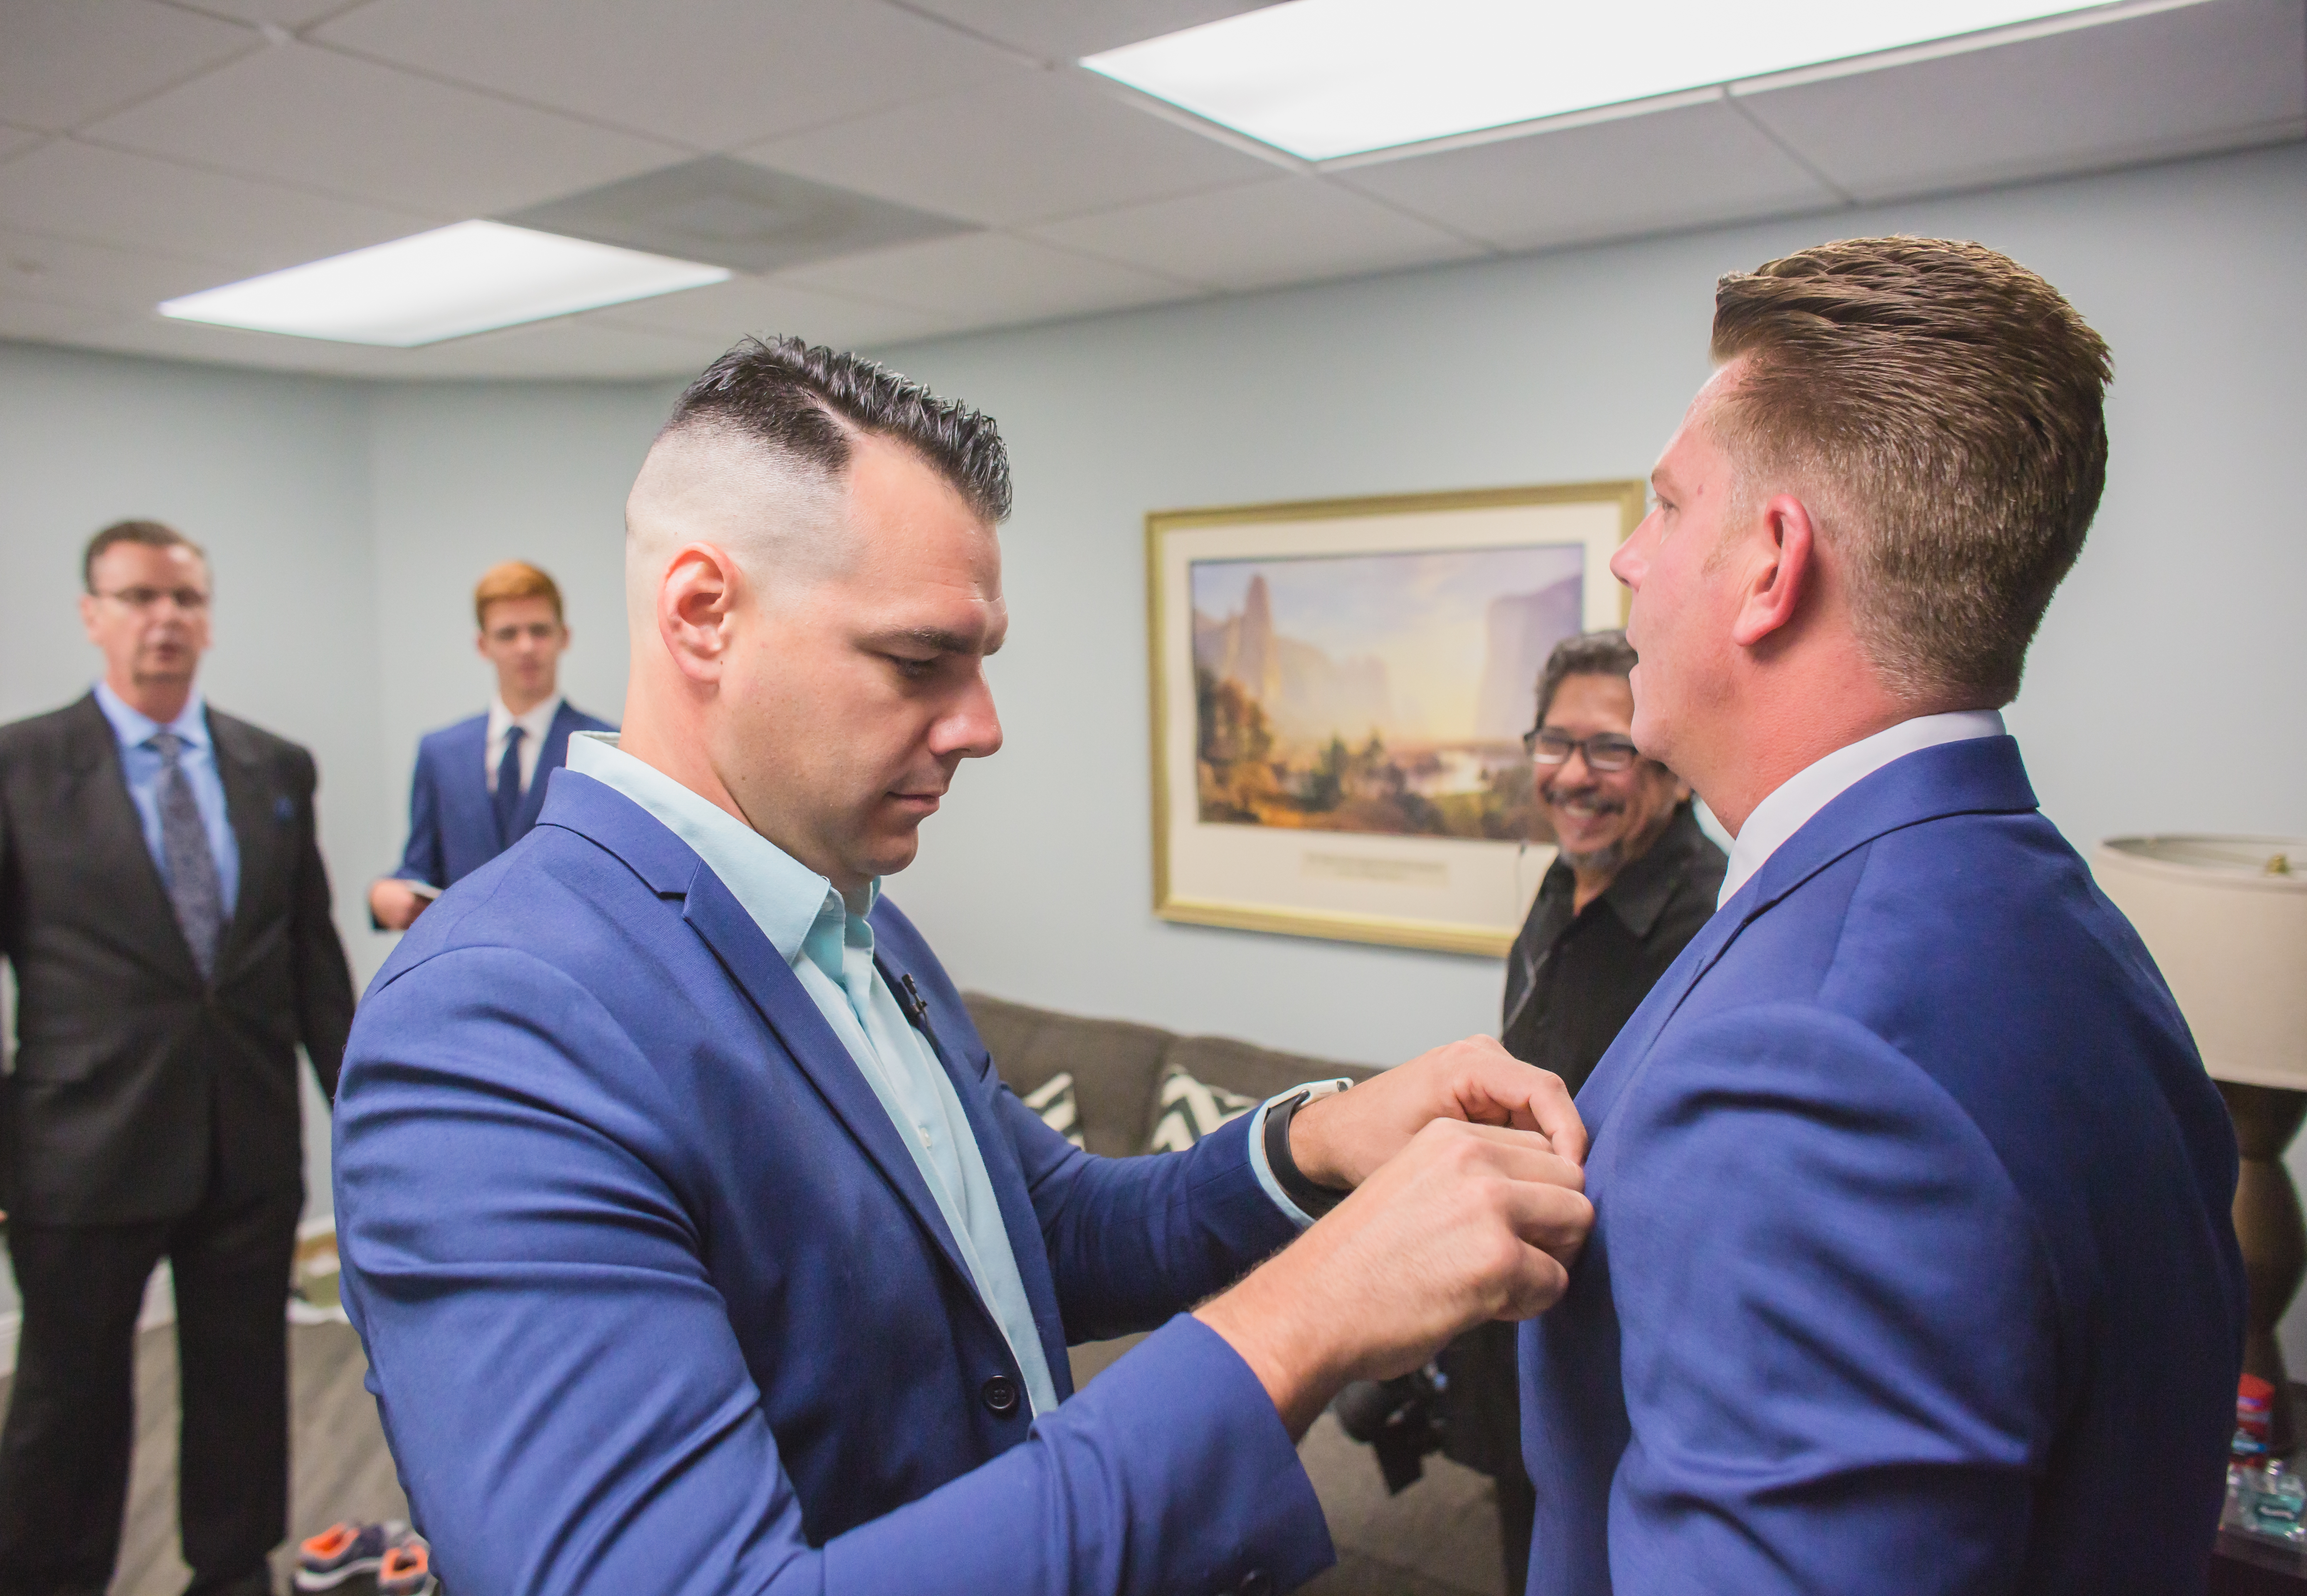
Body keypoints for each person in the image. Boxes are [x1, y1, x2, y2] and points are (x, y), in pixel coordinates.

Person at [332, 338, 1597, 1596]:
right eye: (918, 661)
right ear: (703, 614)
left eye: (981, 659)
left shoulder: (849, 909)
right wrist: (1308, 1315)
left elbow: (1036, 1224)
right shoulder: (489, 1023)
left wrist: (1323, 1137)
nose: (982, 725)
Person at [1519, 238, 2244, 1594]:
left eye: (1668, 507)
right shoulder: (2065, 927)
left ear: (1770, 567)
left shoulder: (1806, 1078)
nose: (1628, 558)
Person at [0, 520, 357, 1596]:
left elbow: (312, 963)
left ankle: (231, 1569)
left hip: (243, 1146)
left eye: (185, 599)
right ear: (93, 615)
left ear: (207, 616)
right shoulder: (5, 769)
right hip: (81, 1150)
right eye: (139, 598)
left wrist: (366, 1113)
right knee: (69, 1402)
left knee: (242, 1385)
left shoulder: (272, 766)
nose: (165, 619)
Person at [1434, 628, 1725, 1592]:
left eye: (1609, 746)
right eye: (1553, 743)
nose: (1572, 775)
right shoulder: (1560, 888)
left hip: (1628, 1359)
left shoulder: (1714, 921)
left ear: (1670, 769)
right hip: (1523, 1332)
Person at [367, 559, 613, 931]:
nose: (526, 647)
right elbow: (421, 868)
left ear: (565, 637)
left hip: (571, 964)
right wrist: (385, 896)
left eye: (540, 631)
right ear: (483, 645)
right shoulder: (441, 754)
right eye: (508, 634)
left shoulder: (607, 750)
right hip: (466, 963)